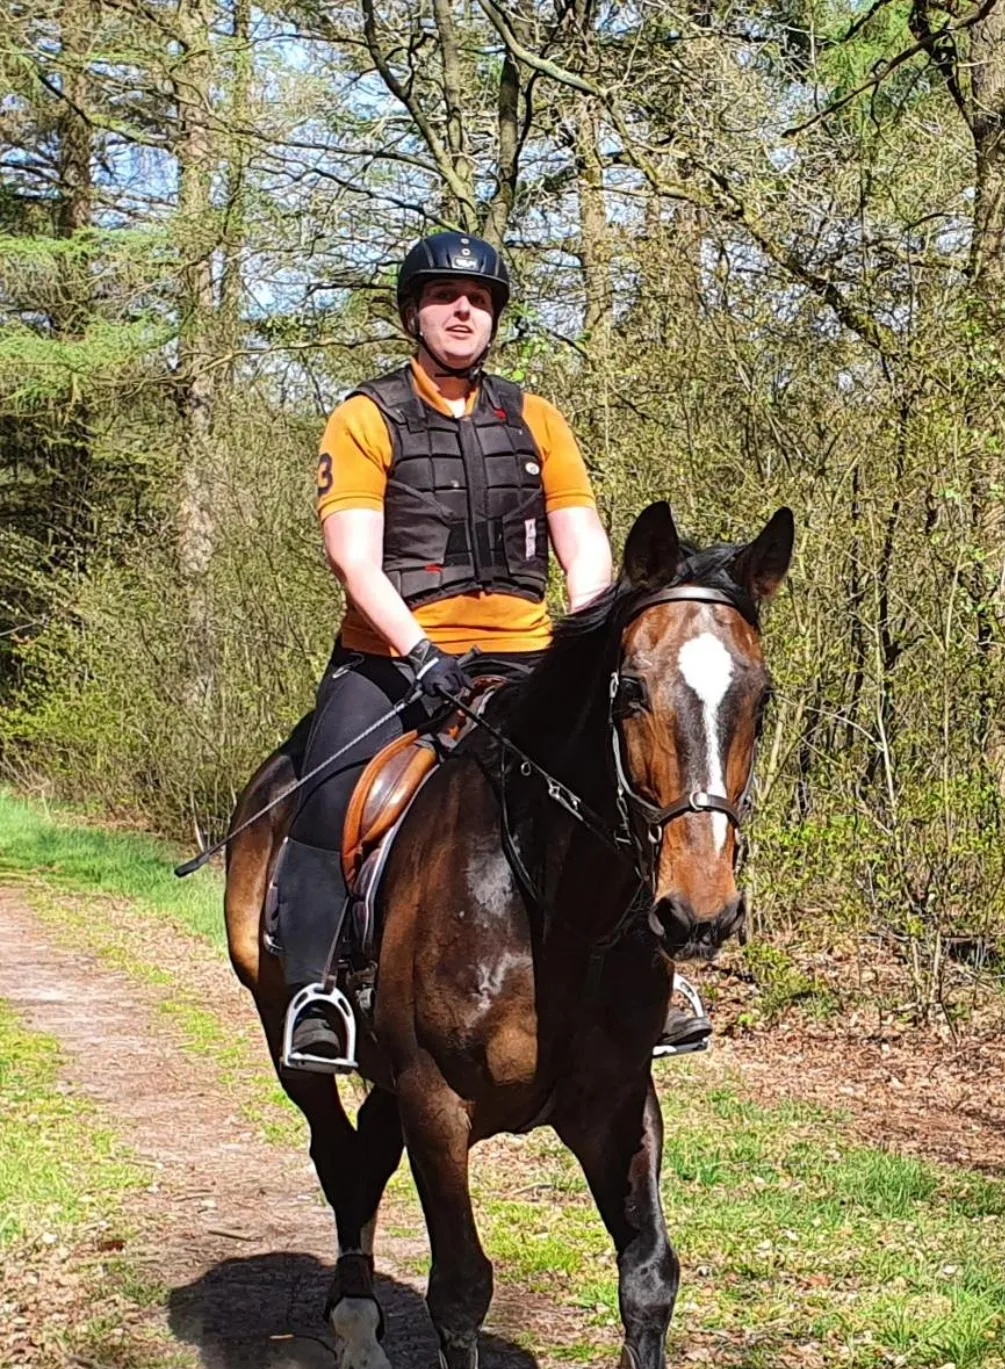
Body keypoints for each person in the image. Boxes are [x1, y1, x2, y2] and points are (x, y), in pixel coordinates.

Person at [276, 230, 709, 1071]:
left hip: (523, 654)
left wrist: (587, 632)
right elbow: (353, 559)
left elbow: (585, 548)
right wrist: (420, 652)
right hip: (393, 659)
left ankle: (652, 980)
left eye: (477, 299)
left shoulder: (536, 418)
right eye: (443, 296)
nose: (463, 309)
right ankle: (315, 988)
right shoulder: (366, 416)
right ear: (413, 313)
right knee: (330, 792)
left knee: (619, 779)